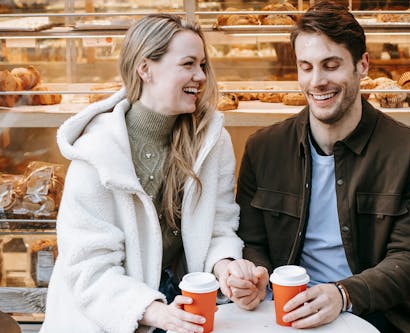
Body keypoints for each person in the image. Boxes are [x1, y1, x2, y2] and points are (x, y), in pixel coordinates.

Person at [40, 13, 264, 333]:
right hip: (99, 317)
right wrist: (151, 310)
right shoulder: (97, 151)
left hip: (176, 305)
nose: (200, 76)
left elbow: (218, 228)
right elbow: (89, 267)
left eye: (202, 65)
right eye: (188, 64)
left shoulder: (212, 141)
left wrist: (227, 267)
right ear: (145, 69)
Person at [234, 1, 410, 332]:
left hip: (373, 314)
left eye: (331, 65)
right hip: (281, 314)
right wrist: (254, 275)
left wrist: (343, 294)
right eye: (306, 66)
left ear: (363, 65)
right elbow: (250, 240)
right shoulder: (263, 148)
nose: (316, 81)